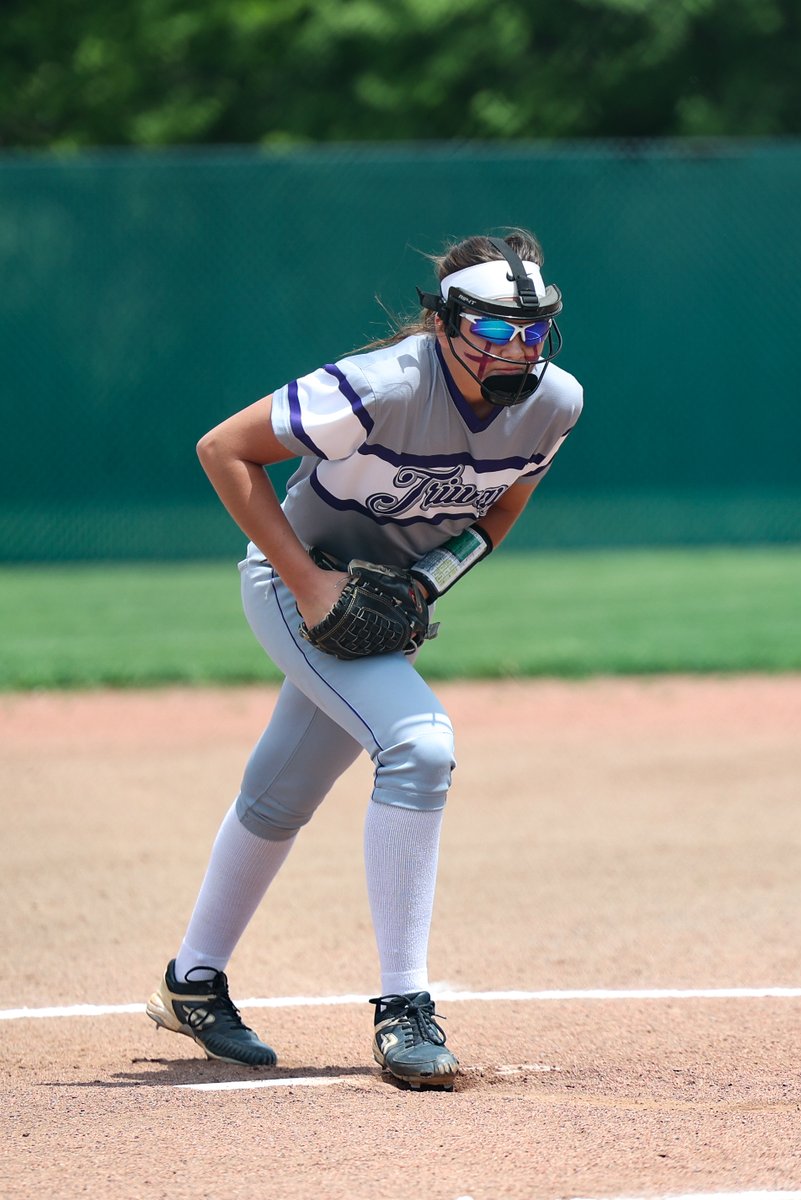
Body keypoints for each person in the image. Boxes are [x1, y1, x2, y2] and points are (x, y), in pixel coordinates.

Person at [146, 228, 583, 1090]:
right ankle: (403, 1008)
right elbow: (222, 449)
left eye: (532, 330)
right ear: (444, 323)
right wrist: (307, 583)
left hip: (382, 604)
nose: (517, 347)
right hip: (293, 580)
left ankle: (191, 981)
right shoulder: (380, 386)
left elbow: (503, 507)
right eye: (494, 328)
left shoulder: (553, 403)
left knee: (280, 795)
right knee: (419, 746)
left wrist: (426, 582)